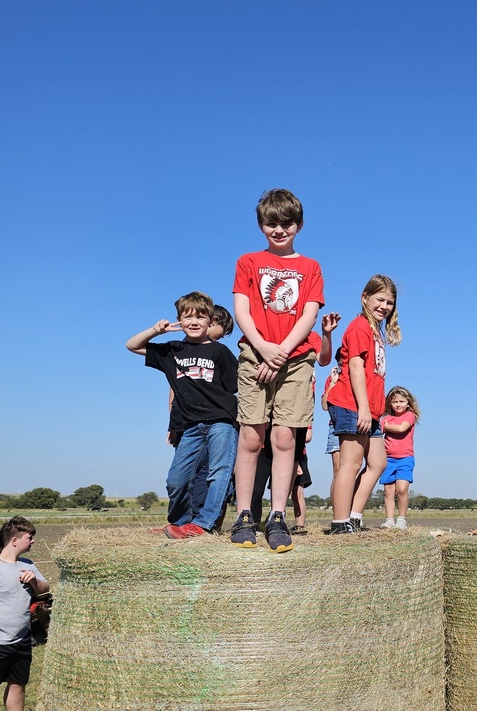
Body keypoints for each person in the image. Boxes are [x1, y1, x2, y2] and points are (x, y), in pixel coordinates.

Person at [229, 189, 328, 553]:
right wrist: (264, 349)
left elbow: (309, 314)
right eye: (271, 223)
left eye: (286, 223)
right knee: (252, 437)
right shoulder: (248, 262)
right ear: (261, 225)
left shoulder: (311, 267)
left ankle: (278, 516)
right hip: (256, 353)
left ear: (298, 225)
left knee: (285, 438)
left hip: (295, 358)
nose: (279, 229)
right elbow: (242, 310)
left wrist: (282, 352)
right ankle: (243, 516)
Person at [126, 291, 238, 538]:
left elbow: (235, 387)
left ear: (211, 320)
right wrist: (157, 331)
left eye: (201, 317)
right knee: (176, 480)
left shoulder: (221, 352)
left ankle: (203, 524)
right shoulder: (172, 350)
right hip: (189, 426)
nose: (194, 322)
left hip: (221, 422)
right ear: (179, 320)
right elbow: (132, 345)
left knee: (218, 473)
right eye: (187, 317)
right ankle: (178, 522)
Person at [325, 276, 402, 534]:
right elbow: (355, 367)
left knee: (378, 462)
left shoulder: (375, 331)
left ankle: (354, 516)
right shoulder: (359, 327)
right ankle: (339, 523)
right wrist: (364, 408)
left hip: (373, 409)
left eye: (389, 302)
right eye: (379, 299)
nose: (384, 306)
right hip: (353, 404)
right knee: (351, 463)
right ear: (364, 298)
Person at [0, 518, 50, 711]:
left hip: (22, 639)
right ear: (14, 540)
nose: (33, 541)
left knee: (18, 683)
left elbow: (45, 590)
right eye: (29, 537)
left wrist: (34, 581)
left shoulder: (28, 565)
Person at [379, 386, 419, 530]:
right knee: (388, 490)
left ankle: (401, 519)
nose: (398, 404)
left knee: (402, 489)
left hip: (405, 458)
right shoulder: (386, 419)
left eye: (401, 401)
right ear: (390, 403)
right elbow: (378, 433)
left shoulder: (410, 416)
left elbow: (402, 428)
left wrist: (388, 427)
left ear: (408, 403)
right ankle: (389, 520)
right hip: (388, 459)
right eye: (395, 402)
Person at [320, 341, 346, 484]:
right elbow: (324, 406)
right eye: (341, 363)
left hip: (354, 424)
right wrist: (332, 384)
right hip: (335, 427)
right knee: (338, 470)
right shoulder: (331, 380)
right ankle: (338, 506)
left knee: (351, 470)